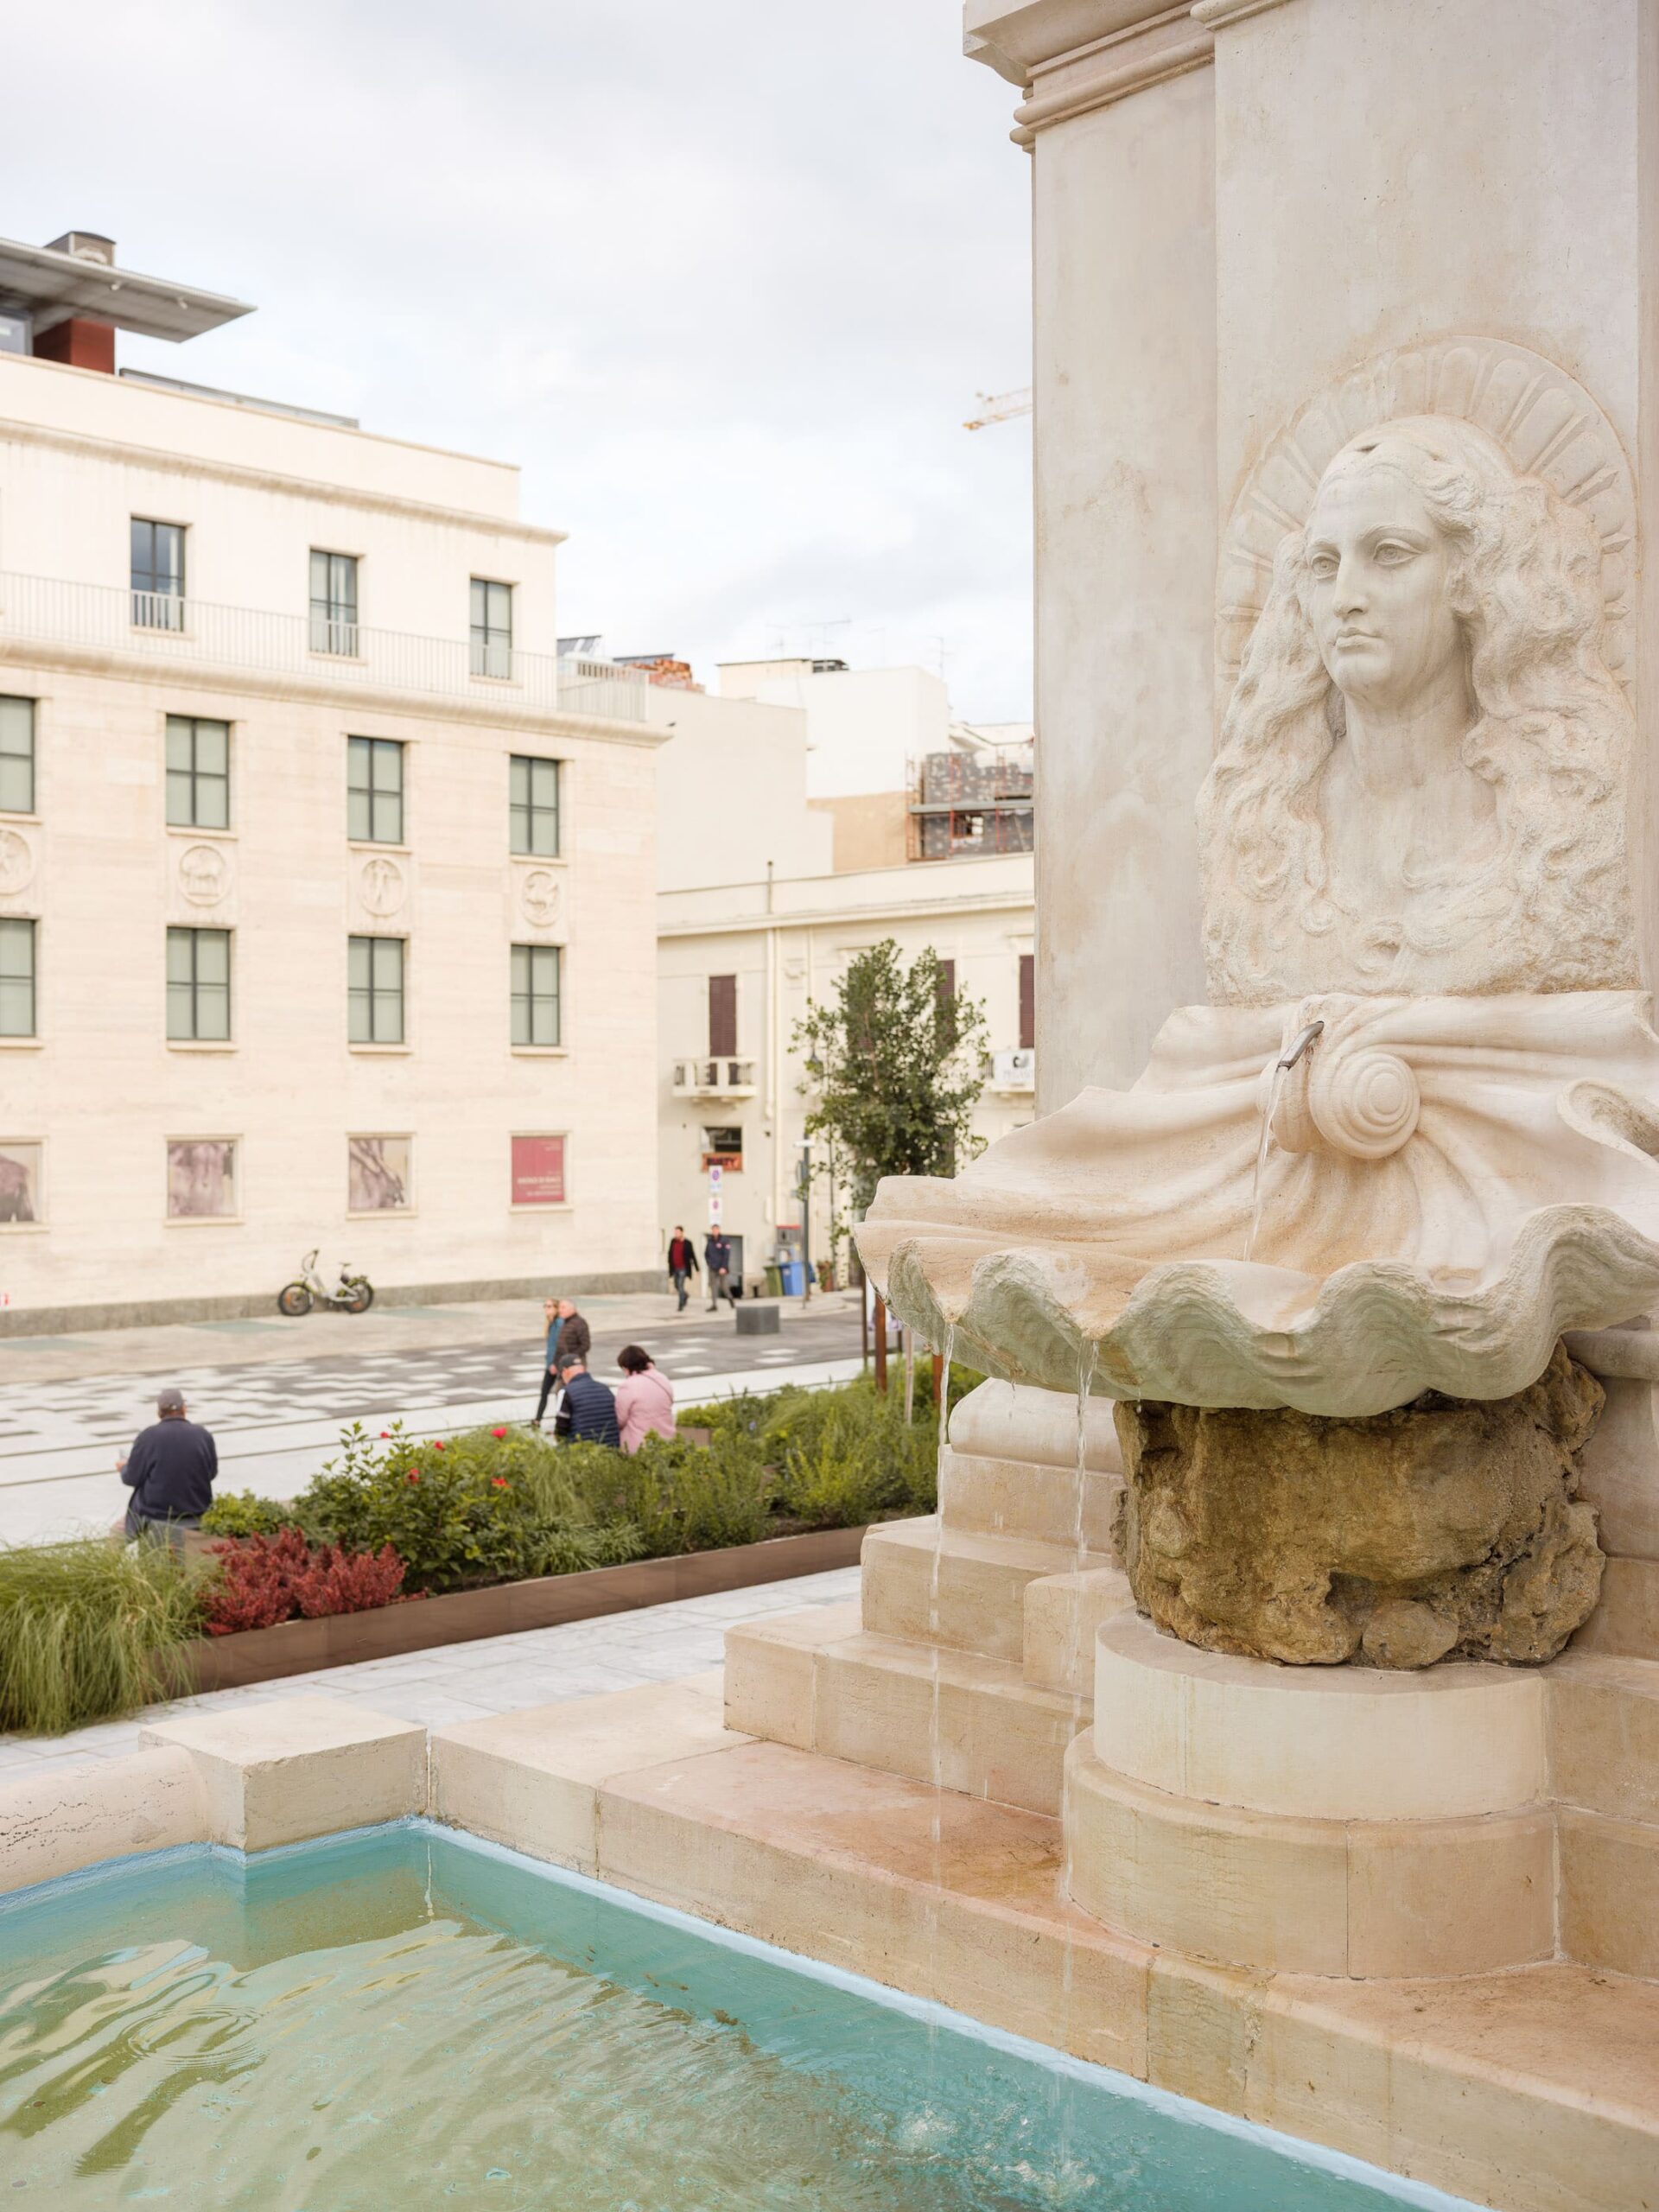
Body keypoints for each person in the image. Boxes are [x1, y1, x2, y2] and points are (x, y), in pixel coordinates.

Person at [118, 1387, 217, 1548]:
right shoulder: (203, 1435)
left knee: (116, 1534)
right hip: (198, 1511)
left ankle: (113, 1571)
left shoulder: (147, 1437)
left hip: (156, 1515)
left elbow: (131, 1478)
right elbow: (211, 1473)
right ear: (184, 1408)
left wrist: (123, 1467)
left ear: (159, 1412)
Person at [534, 1296, 590, 1427]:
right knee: (555, 1393)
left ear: (572, 1308)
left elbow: (585, 1345)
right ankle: (544, 1421)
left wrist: (571, 1360)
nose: (560, 1310)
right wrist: (554, 1362)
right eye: (545, 1306)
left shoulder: (575, 1323)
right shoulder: (562, 1323)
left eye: (562, 1307)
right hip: (559, 1365)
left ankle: (569, 1424)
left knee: (566, 1394)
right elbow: (558, 1347)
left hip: (571, 1367)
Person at [552, 1351, 620, 1448]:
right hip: (612, 1449)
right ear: (583, 1369)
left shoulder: (566, 1392)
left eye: (562, 1377)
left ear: (565, 1371)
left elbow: (561, 1431)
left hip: (584, 1452)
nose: (563, 1381)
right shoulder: (605, 1389)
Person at [614, 1344, 675, 1453]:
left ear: (627, 1368)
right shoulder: (662, 1378)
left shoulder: (628, 1386)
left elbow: (620, 1420)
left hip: (640, 1446)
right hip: (666, 1440)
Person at [665, 1226, 699, 1312]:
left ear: (682, 1233)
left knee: (680, 1285)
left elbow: (693, 1256)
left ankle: (681, 1305)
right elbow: (670, 1254)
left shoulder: (688, 1243)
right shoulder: (673, 1241)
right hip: (675, 1268)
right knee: (676, 1285)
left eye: (677, 1232)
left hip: (683, 1268)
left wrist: (697, 1268)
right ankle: (685, 1295)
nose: (676, 1234)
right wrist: (669, 1265)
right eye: (675, 1232)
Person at [704, 1228, 734, 1310]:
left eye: (716, 1230)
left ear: (718, 1230)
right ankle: (714, 1305)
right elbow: (706, 1254)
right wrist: (709, 1263)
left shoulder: (724, 1240)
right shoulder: (710, 1241)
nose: (714, 1231)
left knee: (724, 1286)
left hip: (722, 1268)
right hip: (712, 1268)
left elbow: (726, 1255)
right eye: (713, 1230)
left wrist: (724, 1267)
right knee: (713, 1286)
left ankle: (730, 1299)